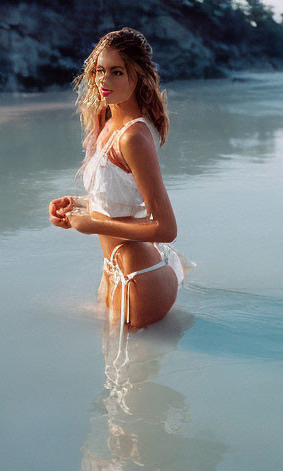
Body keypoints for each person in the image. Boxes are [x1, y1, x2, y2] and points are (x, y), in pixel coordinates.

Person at [48, 28, 185, 342]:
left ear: (137, 76)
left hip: (141, 281)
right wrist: (77, 203)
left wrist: (93, 225)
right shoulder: (107, 123)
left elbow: (166, 228)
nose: (102, 81)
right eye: (99, 71)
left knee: (135, 379)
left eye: (116, 72)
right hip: (114, 273)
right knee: (116, 383)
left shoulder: (134, 136)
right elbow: (118, 200)